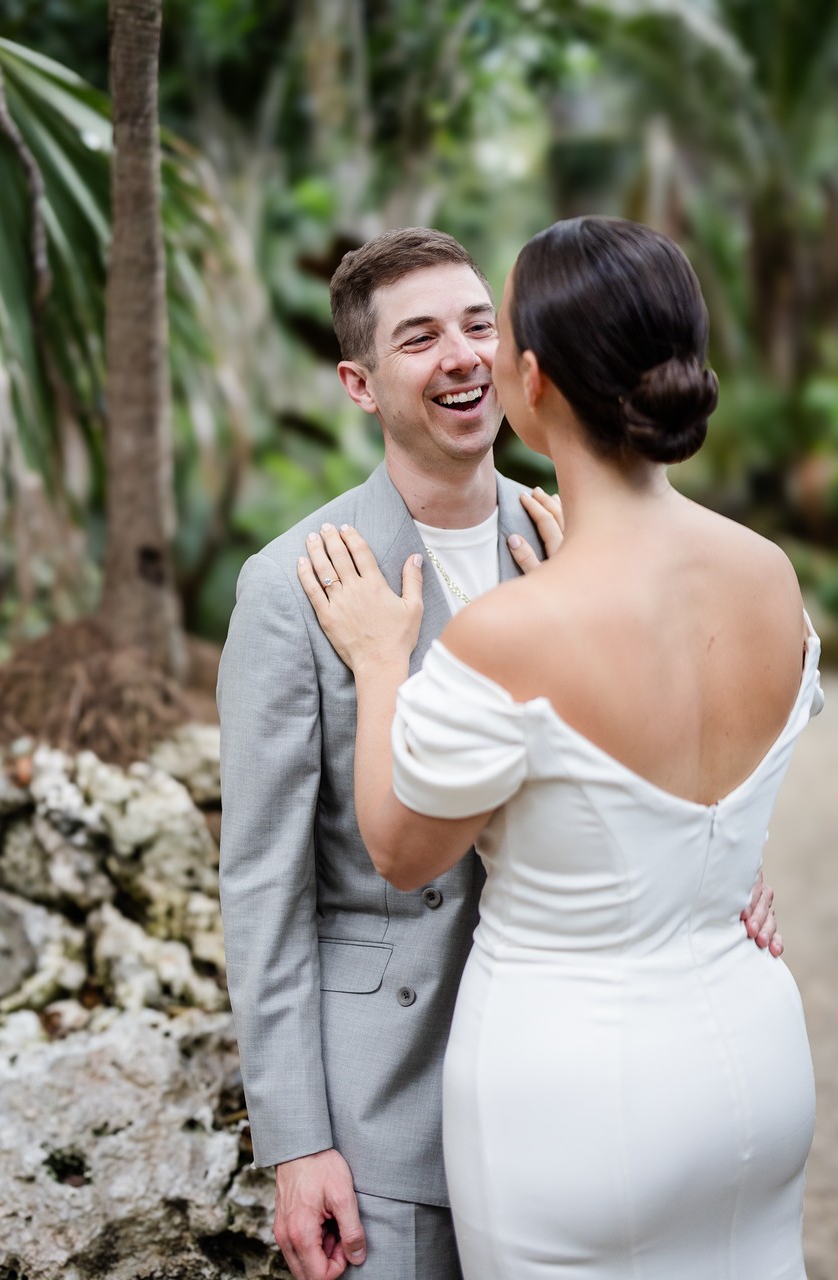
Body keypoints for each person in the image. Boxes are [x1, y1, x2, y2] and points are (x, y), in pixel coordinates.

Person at [218, 226, 782, 1280]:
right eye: (419, 337)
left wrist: (719, 879)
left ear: (524, 357)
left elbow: (667, 760)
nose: (462, 356)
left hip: (567, 1083)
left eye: (481, 324)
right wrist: (297, 1143)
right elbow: (262, 884)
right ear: (358, 383)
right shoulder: (293, 584)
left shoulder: (577, 544)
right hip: (386, 1110)